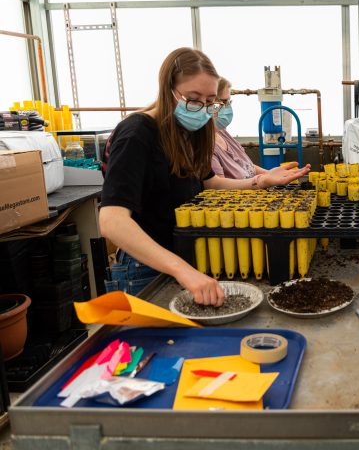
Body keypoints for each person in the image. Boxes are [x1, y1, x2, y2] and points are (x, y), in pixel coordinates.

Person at [100, 47, 309, 305]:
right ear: (168, 90)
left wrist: (259, 181)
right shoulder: (137, 134)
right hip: (147, 270)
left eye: (211, 102)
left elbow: (210, 182)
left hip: (182, 258)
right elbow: (111, 220)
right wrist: (181, 270)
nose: (202, 108)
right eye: (194, 99)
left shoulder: (187, 132)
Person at [211, 77, 268, 179]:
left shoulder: (222, 132)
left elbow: (245, 166)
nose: (227, 107)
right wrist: (261, 181)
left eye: (229, 102)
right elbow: (219, 187)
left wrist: (270, 174)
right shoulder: (206, 147)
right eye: (223, 101)